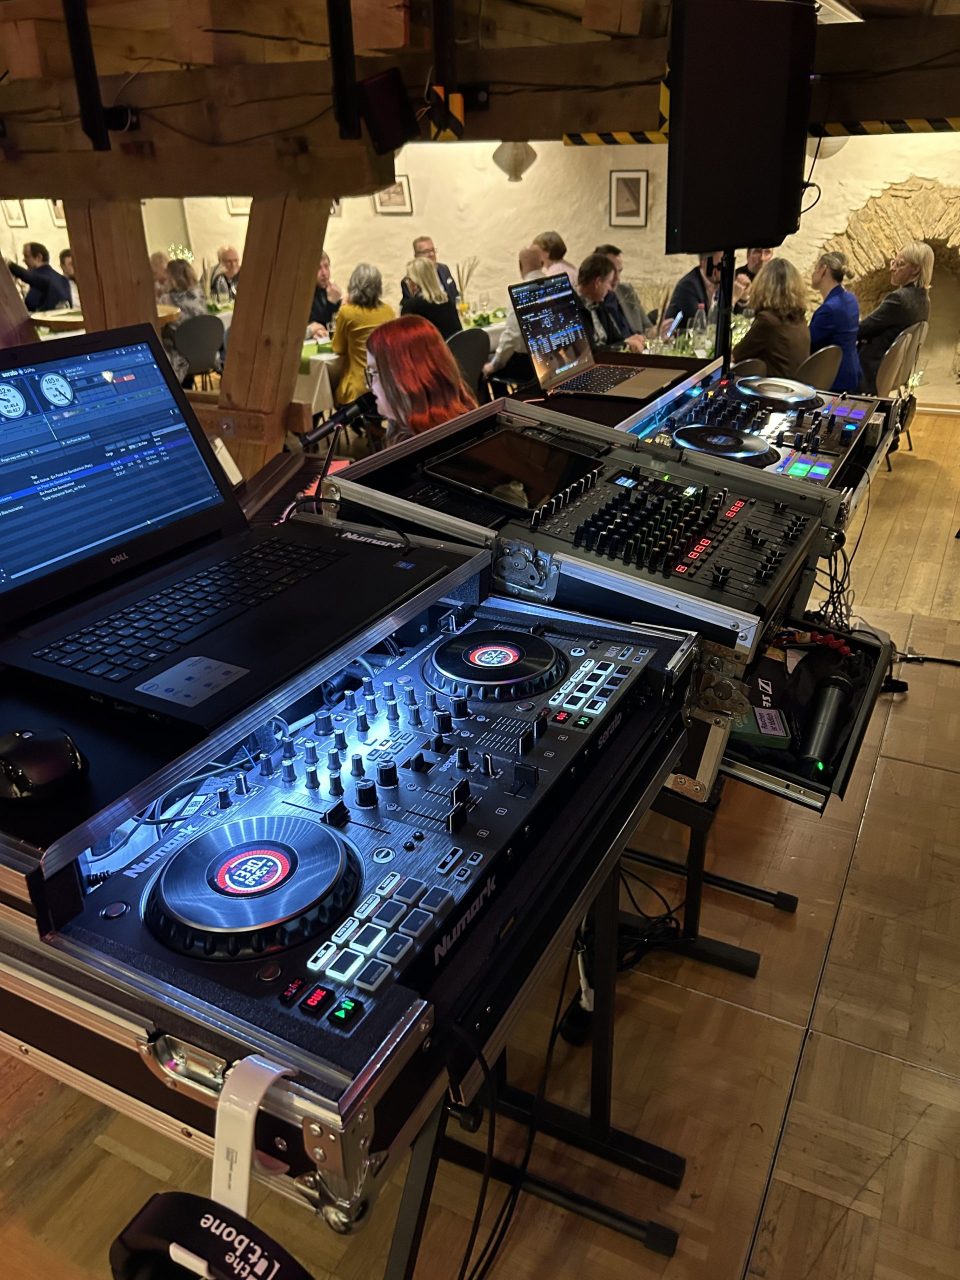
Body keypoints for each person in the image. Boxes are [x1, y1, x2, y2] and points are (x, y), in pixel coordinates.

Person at [366, 315, 477, 447]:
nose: (370, 385)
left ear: (406, 378)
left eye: (375, 372)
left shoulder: (426, 450)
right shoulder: (467, 426)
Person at [857, 241, 933, 394]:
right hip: (892, 373)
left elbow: (863, 329)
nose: (892, 268)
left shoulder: (899, 299)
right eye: (894, 262)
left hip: (870, 370)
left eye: (899, 264)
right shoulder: (924, 299)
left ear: (916, 269)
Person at [732, 258, 810, 378]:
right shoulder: (800, 318)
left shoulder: (768, 321)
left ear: (763, 285)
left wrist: (733, 299)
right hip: (795, 385)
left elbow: (736, 356)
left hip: (774, 386)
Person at [332, 263, 395, 405]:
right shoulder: (388, 311)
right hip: (385, 385)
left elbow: (338, 348)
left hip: (357, 389)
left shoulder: (347, 312)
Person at [483, 245, 543, 381]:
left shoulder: (521, 292)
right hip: (554, 358)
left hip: (529, 365)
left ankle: (501, 395)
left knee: (487, 362)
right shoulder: (554, 284)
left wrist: (495, 364)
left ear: (520, 266)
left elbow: (512, 335)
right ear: (542, 263)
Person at [809, 251, 862, 392]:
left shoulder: (829, 309)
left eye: (815, 268)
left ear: (823, 270)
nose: (813, 273)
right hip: (852, 373)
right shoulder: (851, 299)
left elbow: (808, 345)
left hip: (834, 381)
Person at [575, 254, 645, 353]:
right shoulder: (573, 309)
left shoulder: (599, 303)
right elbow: (590, 352)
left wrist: (629, 341)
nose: (610, 289)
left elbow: (616, 339)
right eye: (609, 282)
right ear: (598, 282)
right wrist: (625, 345)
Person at [160, 258, 208, 386]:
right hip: (206, 351)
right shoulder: (199, 294)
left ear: (172, 278)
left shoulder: (166, 299)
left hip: (182, 357)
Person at [595, 243, 651, 336]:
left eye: (619, 271)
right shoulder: (592, 300)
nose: (617, 278)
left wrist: (659, 331)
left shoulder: (626, 290)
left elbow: (647, 328)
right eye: (612, 272)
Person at [400, 257, 462, 340]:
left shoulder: (411, 306)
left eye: (408, 279)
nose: (407, 283)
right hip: (454, 347)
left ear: (415, 282)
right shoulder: (447, 300)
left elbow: (404, 339)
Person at [663, 252, 723, 330]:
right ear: (703, 262)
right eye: (719, 265)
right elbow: (701, 326)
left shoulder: (719, 284)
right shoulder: (688, 286)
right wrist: (732, 300)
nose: (723, 270)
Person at [6, 243, 71, 312]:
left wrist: (8, 263)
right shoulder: (63, 279)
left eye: (26, 256)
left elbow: (29, 276)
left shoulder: (42, 278)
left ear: (39, 257)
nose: (24, 260)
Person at [400, 236, 458, 305]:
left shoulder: (443, 269)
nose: (431, 254)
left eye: (433, 250)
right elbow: (410, 306)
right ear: (416, 256)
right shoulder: (410, 281)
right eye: (426, 252)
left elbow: (455, 295)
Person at [307, 253, 342, 338]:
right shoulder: (305, 294)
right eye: (318, 268)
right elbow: (321, 324)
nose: (324, 273)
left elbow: (335, 324)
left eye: (326, 266)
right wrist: (331, 303)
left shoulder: (329, 289)